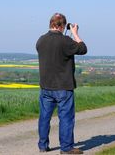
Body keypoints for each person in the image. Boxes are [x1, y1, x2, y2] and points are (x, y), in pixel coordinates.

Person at [36, 13, 87, 154]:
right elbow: (83, 49)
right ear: (62, 25)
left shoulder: (40, 40)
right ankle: (66, 148)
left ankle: (42, 145)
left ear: (50, 24)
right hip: (63, 87)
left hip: (45, 86)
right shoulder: (65, 41)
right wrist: (75, 33)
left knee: (44, 118)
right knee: (66, 118)